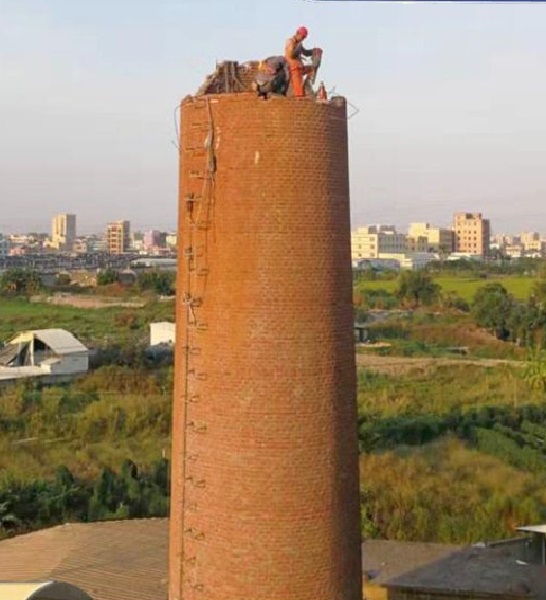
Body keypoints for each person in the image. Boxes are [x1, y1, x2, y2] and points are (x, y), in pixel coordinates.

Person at [284, 26, 315, 97]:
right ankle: (299, 97)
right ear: (297, 33)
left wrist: (314, 51)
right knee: (299, 93)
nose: (303, 39)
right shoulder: (290, 41)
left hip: (299, 67)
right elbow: (291, 55)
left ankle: (307, 87)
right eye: (302, 37)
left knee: (311, 68)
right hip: (293, 68)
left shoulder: (299, 43)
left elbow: (305, 53)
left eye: (304, 38)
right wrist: (299, 47)